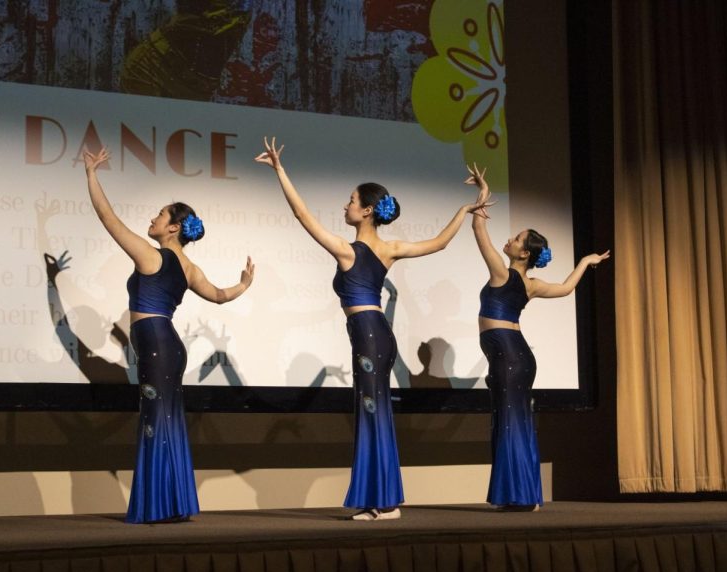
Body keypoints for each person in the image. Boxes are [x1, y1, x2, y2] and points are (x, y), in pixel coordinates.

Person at [255, 138, 491, 520]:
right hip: (374, 332)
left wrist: (280, 171)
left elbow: (303, 217)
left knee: (371, 411)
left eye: (350, 201)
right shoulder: (389, 248)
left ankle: (383, 501)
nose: (344, 206)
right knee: (373, 411)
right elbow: (442, 243)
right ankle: (382, 499)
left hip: (369, 332)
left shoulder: (351, 251)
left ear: (366, 211)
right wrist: (466, 207)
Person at [83, 147, 254, 523]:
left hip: (158, 344)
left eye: (159, 215)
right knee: (167, 420)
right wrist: (243, 284)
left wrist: (92, 174)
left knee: (155, 419)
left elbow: (107, 218)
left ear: (174, 227)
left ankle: (158, 507)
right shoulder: (189, 267)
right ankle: (170, 503)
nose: (153, 218)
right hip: (167, 345)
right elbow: (220, 297)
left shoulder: (151, 256)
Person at [470, 188, 609, 510]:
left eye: (517, 239)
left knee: (510, 422)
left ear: (524, 255)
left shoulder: (504, 274)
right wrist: (585, 262)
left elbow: (479, 232)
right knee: (510, 421)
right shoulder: (529, 284)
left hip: (510, 356)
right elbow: (565, 287)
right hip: (513, 356)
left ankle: (521, 495)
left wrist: (482, 197)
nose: (510, 240)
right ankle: (519, 494)